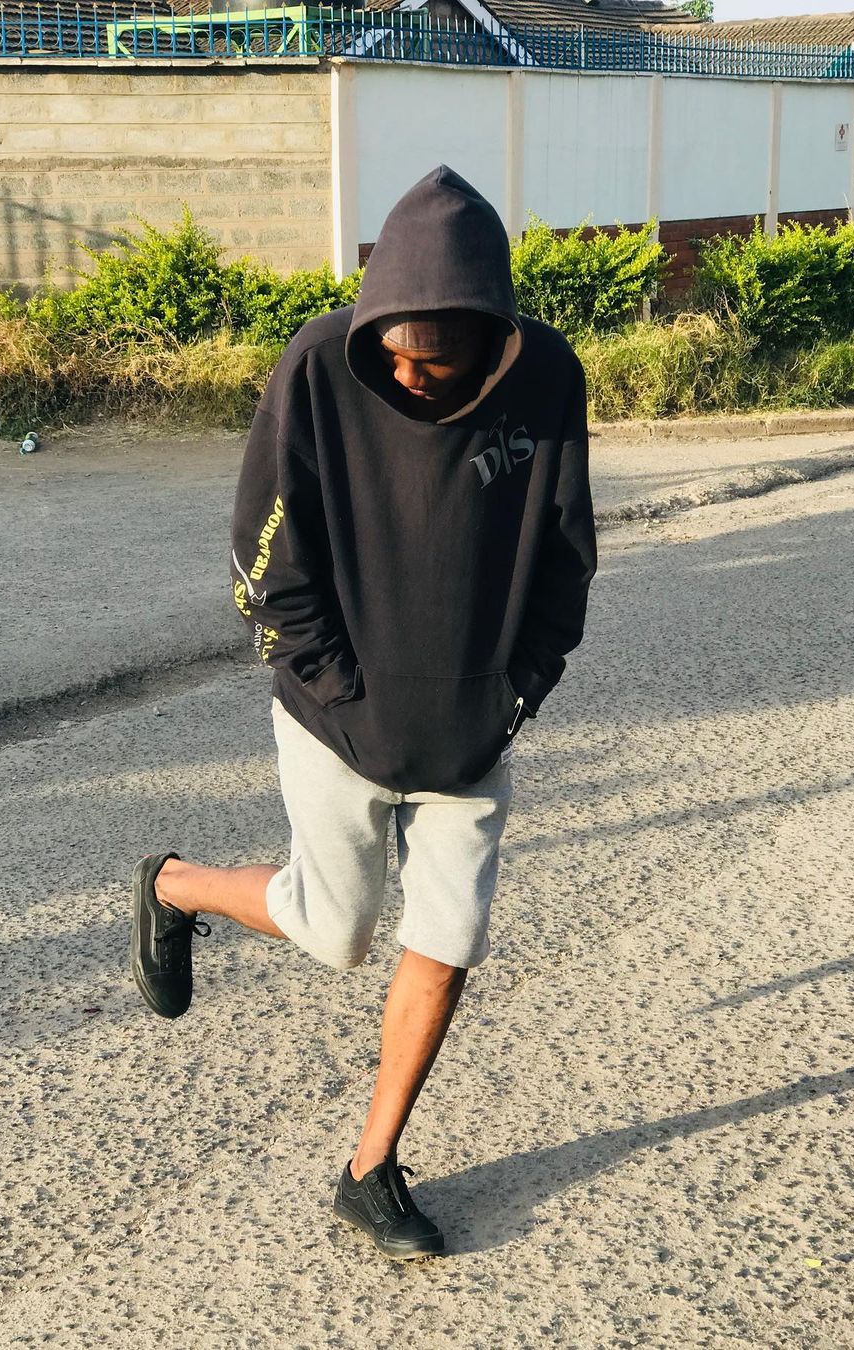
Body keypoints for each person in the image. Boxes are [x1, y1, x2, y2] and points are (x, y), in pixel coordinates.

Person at [131, 165, 596, 1260]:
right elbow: (263, 557)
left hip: (471, 728)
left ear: (491, 341)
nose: (406, 371)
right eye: (394, 351)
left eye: (434, 360)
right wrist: (338, 688)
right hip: (334, 716)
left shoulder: (548, 379)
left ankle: (371, 1166)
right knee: (335, 933)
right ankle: (172, 884)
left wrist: (521, 689)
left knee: (448, 936)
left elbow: (566, 551)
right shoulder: (317, 366)